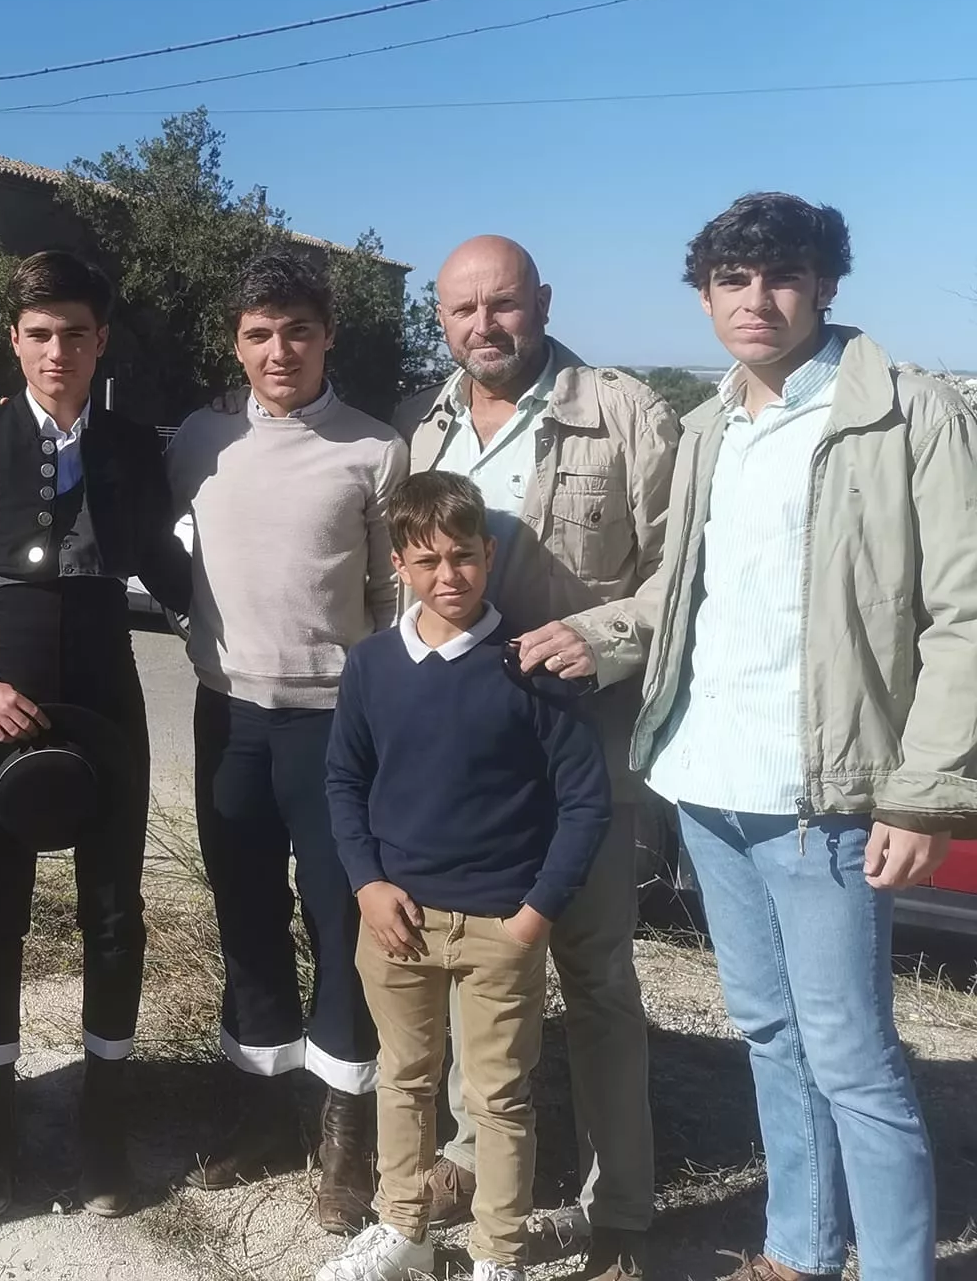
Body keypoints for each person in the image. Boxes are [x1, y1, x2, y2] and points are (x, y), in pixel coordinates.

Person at [522, 193, 977, 1281]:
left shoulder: (908, 414)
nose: (755, 299)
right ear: (704, 296)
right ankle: (797, 1250)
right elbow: (688, 593)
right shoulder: (709, 426)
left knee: (851, 1055)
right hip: (707, 780)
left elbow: (961, 614)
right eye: (732, 280)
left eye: (780, 276)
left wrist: (924, 793)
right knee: (769, 1036)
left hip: (822, 795)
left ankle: (896, 1266)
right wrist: (593, 630)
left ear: (824, 284)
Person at [393, 235, 675, 1278]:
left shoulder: (623, 413)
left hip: (580, 757)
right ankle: (473, 1157)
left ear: (540, 302)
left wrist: (597, 639)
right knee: (471, 969)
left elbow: (680, 582)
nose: (483, 327)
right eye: (461, 311)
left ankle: (619, 1218)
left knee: (595, 981)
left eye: (501, 305)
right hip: (468, 767)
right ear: (440, 320)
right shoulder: (422, 425)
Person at [0, 250, 191, 1221]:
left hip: (110, 698)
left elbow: (166, 563)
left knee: (113, 916)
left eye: (74, 333)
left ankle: (100, 1131)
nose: (56, 351)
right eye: (38, 334)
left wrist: (250, 637)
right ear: (13, 340)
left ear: (99, 339)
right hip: (5, 701)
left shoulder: (131, 446)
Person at [164, 249, 405, 1231]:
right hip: (227, 717)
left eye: (296, 332)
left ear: (325, 337)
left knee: (340, 925)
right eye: (258, 333)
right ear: (235, 340)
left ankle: (344, 1137)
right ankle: (259, 1114)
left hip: (335, 728)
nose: (278, 350)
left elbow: (392, 597)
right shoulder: (195, 439)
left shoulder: (373, 450)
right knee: (245, 916)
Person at [323, 471, 610, 1281]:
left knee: (498, 1100)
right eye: (427, 561)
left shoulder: (529, 667)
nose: (448, 576)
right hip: (396, 921)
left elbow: (584, 803)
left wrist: (535, 915)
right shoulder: (373, 665)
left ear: (489, 554)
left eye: (463, 557)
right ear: (399, 567)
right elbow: (343, 782)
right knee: (405, 1080)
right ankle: (404, 1230)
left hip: (499, 929)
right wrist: (367, 884)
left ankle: (499, 1254)